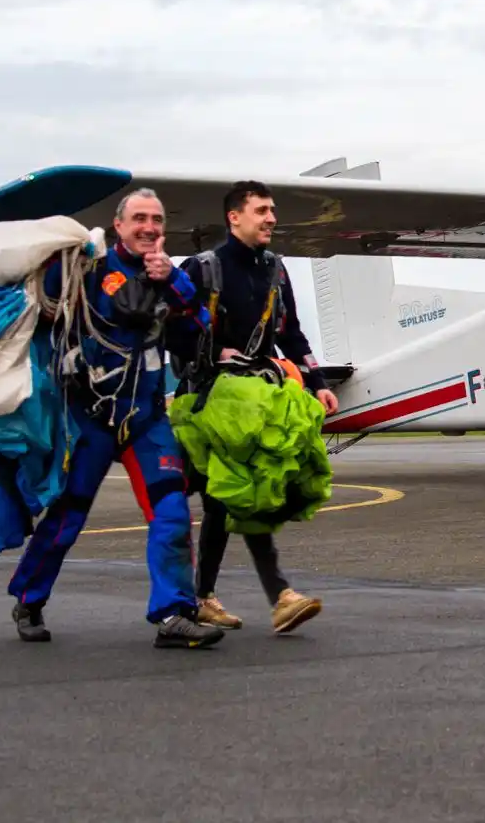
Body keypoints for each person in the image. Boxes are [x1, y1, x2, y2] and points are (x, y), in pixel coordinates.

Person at [5, 187, 225, 649]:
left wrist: (172, 282)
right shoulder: (90, 266)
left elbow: (198, 325)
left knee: (172, 513)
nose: (149, 227)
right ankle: (29, 599)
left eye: (158, 220)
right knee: (67, 517)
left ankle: (172, 614)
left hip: (146, 418)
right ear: (119, 225)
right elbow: (43, 301)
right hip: (92, 416)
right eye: (140, 218)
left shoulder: (169, 275)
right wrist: (58, 256)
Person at [172, 180, 336, 634]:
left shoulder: (276, 271)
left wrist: (317, 381)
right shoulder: (201, 269)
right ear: (234, 216)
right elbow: (172, 332)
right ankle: (273, 594)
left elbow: (293, 333)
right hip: (211, 404)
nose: (271, 218)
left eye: (272, 210)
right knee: (226, 497)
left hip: (258, 401)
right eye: (262, 210)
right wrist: (211, 352)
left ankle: (209, 596)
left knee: (232, 498)